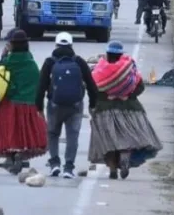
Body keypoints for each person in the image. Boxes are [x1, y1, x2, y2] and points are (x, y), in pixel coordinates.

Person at [88, 41, 161, 180]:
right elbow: (140, 87)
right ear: (121, 54)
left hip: (104, 110)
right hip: (130, 109)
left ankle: (113, 170)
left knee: (107, 142)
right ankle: (125, 155)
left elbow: (93, 89)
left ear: (108, 54)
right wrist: (127, 95)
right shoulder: (129, 68)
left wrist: (106, 97)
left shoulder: (99, 69)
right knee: (127, 137)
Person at [36, 32, 98, 178]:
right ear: (71, 45)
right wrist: (93, 104)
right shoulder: (79, 62)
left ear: (56, 45)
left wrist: (38, 107)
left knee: (52, 134)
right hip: (75, 106)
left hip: (54, 105)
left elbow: (41, 86)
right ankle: (68, 168)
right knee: (72, 136)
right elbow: (91, 85)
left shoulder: (49, 62)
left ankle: (54, 164)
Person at [0, 29, 48, 175]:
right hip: (29, 103)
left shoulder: (8, 62)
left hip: (11, 103)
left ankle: (11, 157)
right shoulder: (31, 63)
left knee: (9, 132)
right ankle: (19, 155)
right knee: (24, 133)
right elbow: (37, 83)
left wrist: (3, 55)